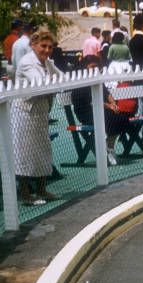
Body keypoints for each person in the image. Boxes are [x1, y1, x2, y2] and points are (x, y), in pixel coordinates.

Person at [10, 29, 63, 205]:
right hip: (25, 113)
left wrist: (54, 80)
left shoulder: (47, 62)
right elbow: (42, 83)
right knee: (24, 154)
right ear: (33, 45)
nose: (47, 50)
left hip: (40, 113)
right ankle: (25, 195)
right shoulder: (27, 62)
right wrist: (54, 81)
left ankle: (42, 190)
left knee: (43, 151)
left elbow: (61, 77)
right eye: (43, 46)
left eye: (50, 47)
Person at [71, 55, 132, 165]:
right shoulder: (80, 81)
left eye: (96, 67)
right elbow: (91, 100)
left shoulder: (98, 78)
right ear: (85, 67)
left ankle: (110, 146)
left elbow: (106, 93)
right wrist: (109, 106)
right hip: (86, 112)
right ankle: (106, 148)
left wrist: (113, 104)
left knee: (123, 118)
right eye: (92, 67)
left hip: (101, 109)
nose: (95, 69)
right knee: (111, 117)